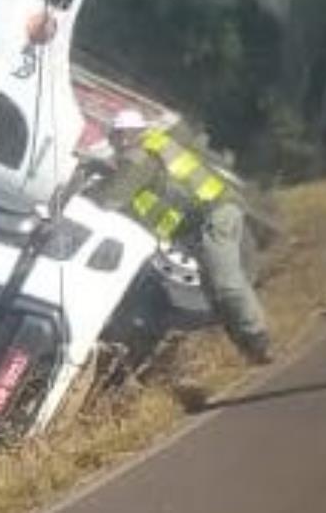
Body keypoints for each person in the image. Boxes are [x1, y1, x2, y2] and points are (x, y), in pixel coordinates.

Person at [88, 109, 273, 365]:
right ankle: (250, 347)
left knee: (224, 283)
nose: (114, 143)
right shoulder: (154, 146)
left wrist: (91, 188)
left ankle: (258, 340)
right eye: (112, 138)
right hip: (206, 219)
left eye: (117, 136)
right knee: (215, 292)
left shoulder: (140, 156)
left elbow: (110, 197)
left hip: (213, 215)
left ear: (130, 134)